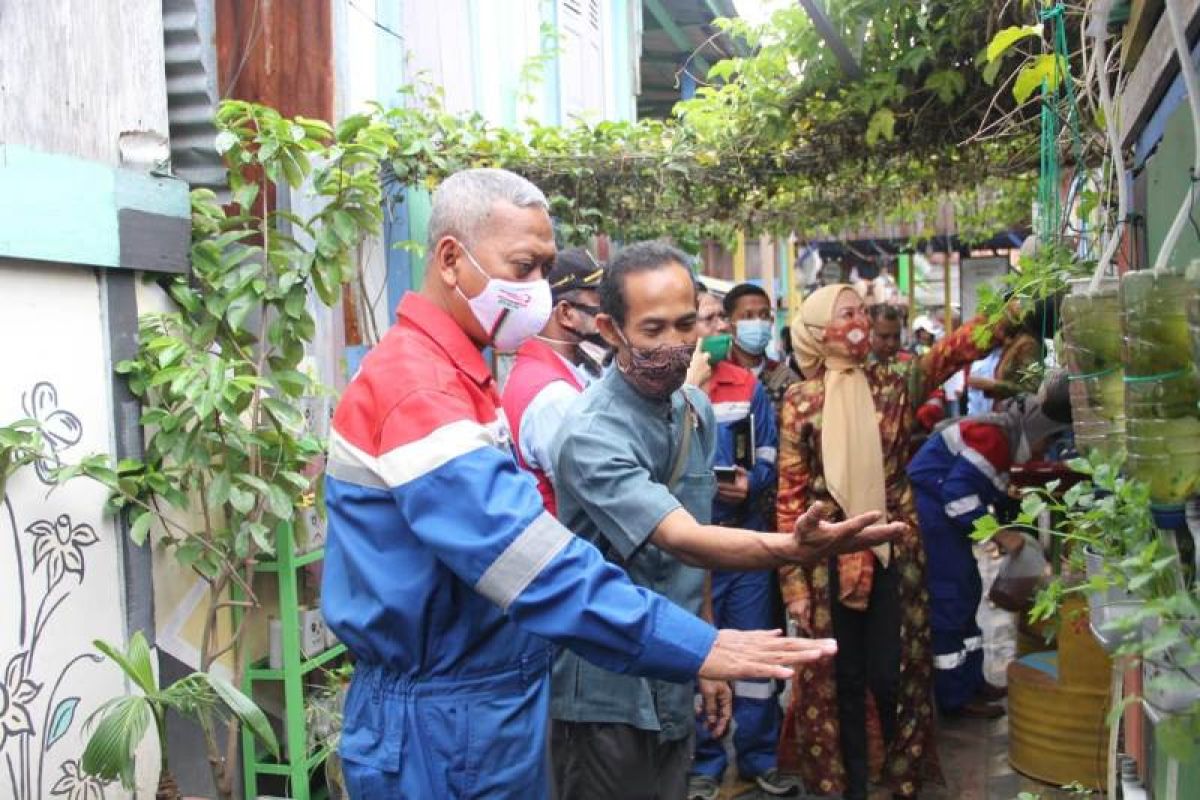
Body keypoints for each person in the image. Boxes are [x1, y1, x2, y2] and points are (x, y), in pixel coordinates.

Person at [321, 170, 898, 800]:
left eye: (545, 268)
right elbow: (536, 567)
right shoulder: (421, 389)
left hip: (489, 701)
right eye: (524, 267)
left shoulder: (465, 377)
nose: (541, 292)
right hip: (445, 717)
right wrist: (698, 643)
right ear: (452, 259)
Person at [549, 243, 905, 800]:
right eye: (653, 330)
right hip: (606, 691)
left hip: (670, 673)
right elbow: (684, 539)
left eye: (686, 323)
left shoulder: (694, 409)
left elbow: (693, 551)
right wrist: (792, 548)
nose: (674, 345)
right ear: (610, 329)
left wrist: (705, 649)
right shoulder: (589, 433)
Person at [776, 284, 1013, 800]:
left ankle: (902, 781)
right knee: (841, 681)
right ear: (819, 331)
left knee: (897, 676)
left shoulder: (895, 383)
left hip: (894, 549)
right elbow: (790, 499)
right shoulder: (799, 401)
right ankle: (850, 788)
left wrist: (1012, 308)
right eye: (847, 313)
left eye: (862, 309)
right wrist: (793, 582)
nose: (859, 320)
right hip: (826, 558)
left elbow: (956, 350)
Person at [688, 288, 799, 799]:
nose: (716, 330)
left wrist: (751, 483)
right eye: (703, 320)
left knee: (754, 656)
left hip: (746, 540)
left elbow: (770, 455)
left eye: (718, 320)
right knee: (699, 654)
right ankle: (706, 764)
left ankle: (757, 757)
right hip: (689, 547)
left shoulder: (745, 385)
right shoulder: (666, 387)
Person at [907, 374, 1072, 718]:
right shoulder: (995, 439)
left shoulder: (1003, 434)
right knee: (952, 595)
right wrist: (1000, 535)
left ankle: (970, 682)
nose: (1044, 451)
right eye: (1047, 443)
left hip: (941, 510)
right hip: (933, 512)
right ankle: (954, 696)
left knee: (966, 591)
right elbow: (958, 497)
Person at [501, 248, 605, 515]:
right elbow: (599, 496)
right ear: (566, 313)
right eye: (599, 304)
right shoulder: (554, 397)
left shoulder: (546, 371)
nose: (608, 316)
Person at [725, 282, 798, 415]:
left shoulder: (787, 378)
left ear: (771, 321)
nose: (758, 322)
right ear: (729, 324)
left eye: (764, 315)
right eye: (748, 316)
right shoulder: (718, 376)